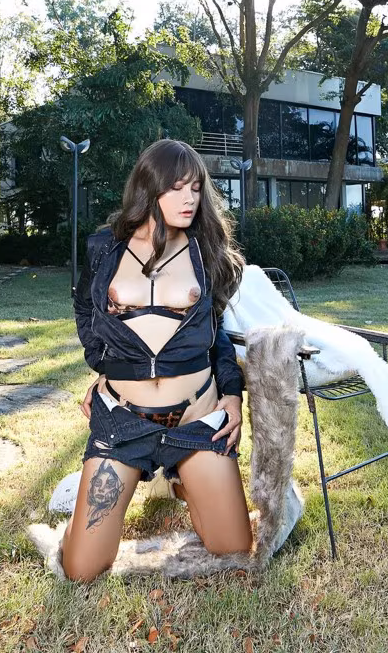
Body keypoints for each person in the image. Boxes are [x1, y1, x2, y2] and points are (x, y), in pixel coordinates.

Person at [61, 139, 253, 581]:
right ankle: (90, 492)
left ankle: (185, 477)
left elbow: (216, 334)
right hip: (123, 423)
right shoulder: (104, 249)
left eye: (196, 189)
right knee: (81, 569)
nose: (190, 199)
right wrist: (105, 366)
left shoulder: (205, 250)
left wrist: (233, 394)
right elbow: (85, 308)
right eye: (177, 188)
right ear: (149, 188)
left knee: (234, 549)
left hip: (197, 421)